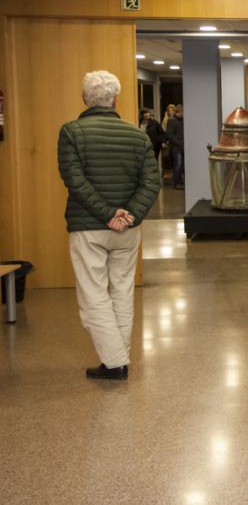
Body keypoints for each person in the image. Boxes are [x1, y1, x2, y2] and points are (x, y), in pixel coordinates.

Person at [57, 70, 161, 380]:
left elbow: (74, 180)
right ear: (115, 99)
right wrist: (129, 214)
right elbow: (151, 181)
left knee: (94, 295)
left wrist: (106, 213)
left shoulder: (71, 132)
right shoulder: (137, 135)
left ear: (84, 99)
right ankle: (117, 357)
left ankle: (115, 362)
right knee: (122, 291)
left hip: (88, 226)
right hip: (127, 230)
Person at [165, 104, 185, 189]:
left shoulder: (183, 120)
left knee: (182, 165)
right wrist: (179, 142)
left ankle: (180, 182)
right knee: (178, 165)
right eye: (183, 111)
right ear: (179, 112)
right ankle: (176, 183)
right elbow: (169, 135)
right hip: (176, 147)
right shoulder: (171, 120)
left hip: (183, 147)